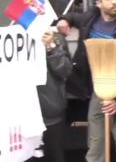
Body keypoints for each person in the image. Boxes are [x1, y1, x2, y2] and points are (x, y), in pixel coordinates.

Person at [56, 0, 116, 162]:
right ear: (98, 3)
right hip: (98, 89)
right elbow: (73, 16)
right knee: (95, 144)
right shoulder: (89, 21)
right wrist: (64, 19)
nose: (114, 2)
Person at [32, 30, 72, 162]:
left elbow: (65, 70)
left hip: (51, 109)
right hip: (24, 112)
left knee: (54, 153)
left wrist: (51, 47)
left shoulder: (56, 38)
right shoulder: (12, 38)